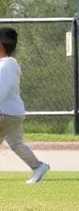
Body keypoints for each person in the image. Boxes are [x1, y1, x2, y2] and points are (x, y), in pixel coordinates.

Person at [0, 27, 50, 184]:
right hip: (13, 113)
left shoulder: (7, 64)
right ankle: (38, 166)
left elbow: (3, 89)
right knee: (16, 143)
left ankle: (38, 166)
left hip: (5, 112)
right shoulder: (7, 64)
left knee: (15, 143)